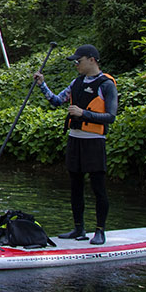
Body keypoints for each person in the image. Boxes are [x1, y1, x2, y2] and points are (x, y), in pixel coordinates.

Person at [34, 44, 118, 244]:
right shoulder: (77, 82)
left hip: (94, 142)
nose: (76, 65)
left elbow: (111, 116)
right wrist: (42, 85)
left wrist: (84, 114)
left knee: (98, 187)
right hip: (75, 139)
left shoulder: (106, 84)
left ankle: (100, 231)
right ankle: (79, 229)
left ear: (92, 60)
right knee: (75, 186)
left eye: (78, 61)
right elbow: (56, 101)